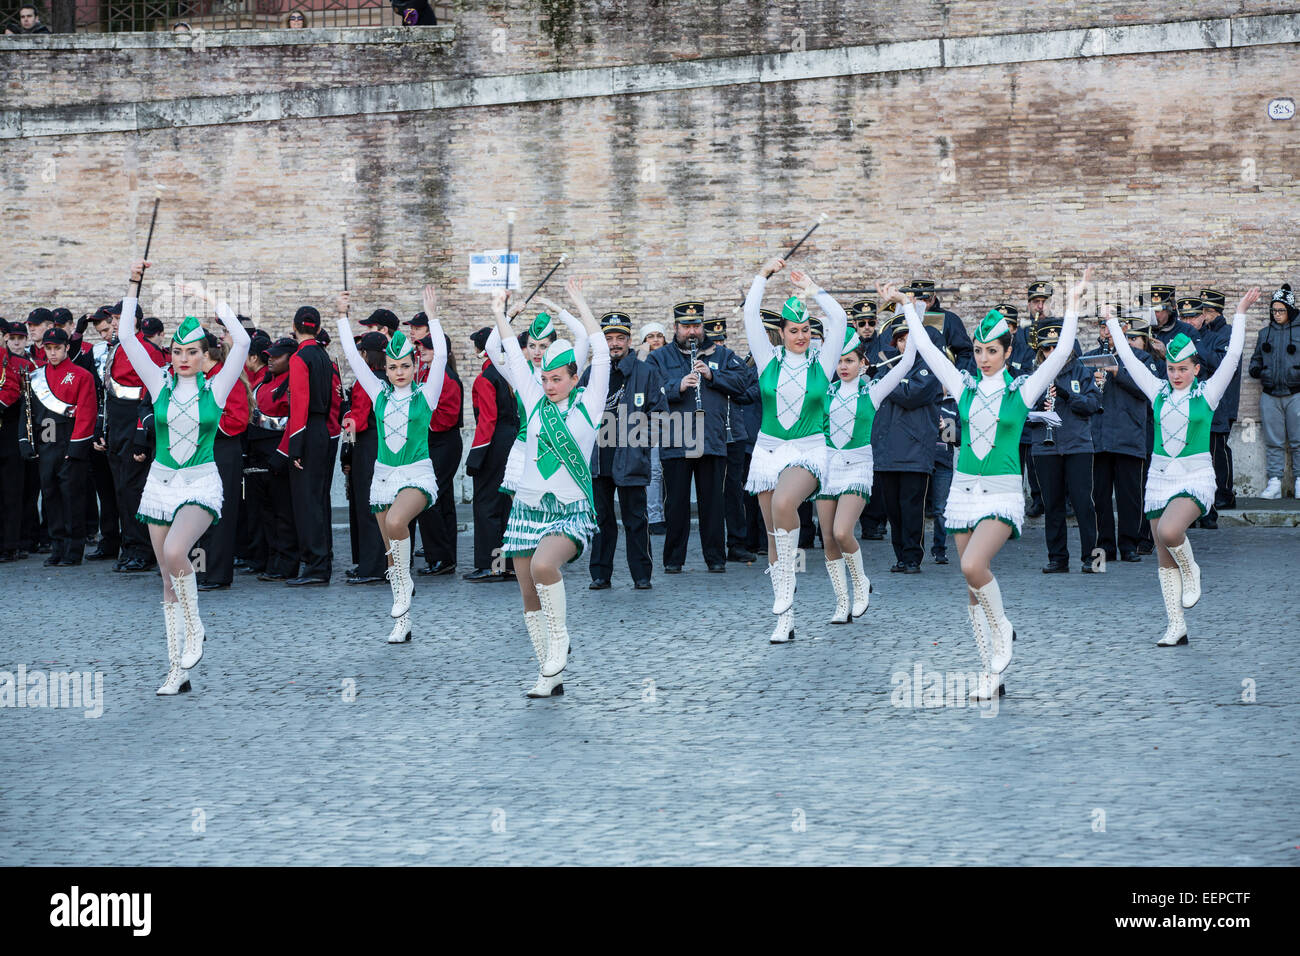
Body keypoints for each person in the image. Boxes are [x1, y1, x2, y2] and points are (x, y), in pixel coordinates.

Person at [907, 269, 1090, 699]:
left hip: (1003, 493)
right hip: (963, 493)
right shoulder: (964, 384)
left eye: (992, 350)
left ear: (1008, 351)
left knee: (974, 566)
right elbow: (929, 352)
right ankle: (991, 673)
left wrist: (1074, 304)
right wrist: (906, 308)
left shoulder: (1022, 392)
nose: (984, 357)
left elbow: (1062, 349)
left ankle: (1004, 630)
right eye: (978, 350)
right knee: (971, 588)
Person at [119, 262, 251, 695]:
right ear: (170, 355)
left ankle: (195, 628)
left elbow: (244, 340)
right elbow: (125, 335)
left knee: (178, 551)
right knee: (165, 575)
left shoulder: (216, 386)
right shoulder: (159, 384)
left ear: (205, 355)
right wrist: (134, 285)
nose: (183, 359)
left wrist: (207, 297)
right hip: (160, 483)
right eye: (177, 352)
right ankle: (177, 670)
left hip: (200, 481)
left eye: (192, 352)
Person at [1103, 288, 1257, 646]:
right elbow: (1128, 358)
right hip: (1159, 478)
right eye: (1172, 368)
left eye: (1183, 369)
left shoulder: (1207, 392)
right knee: (1161, 550)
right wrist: (1112, 322)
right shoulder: (1157, 390)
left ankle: (1193, 569)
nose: (1176, 375)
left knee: (1171, 534)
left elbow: (1233, 355)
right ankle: (1176, 625)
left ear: (1196, 368)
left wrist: (1241, 312)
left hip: (1195, 476)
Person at [491, 278, 607, 698]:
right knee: (527, 593)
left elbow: (603, 352)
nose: (549, 384)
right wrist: (499, 313)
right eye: (545, 378)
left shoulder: (588, 404)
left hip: (571, 511)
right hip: (527, 510)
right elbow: (512, 356)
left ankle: (560, 641)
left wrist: (579, 305)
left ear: (575, 378)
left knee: (544, 568)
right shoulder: (533, 397)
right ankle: (548, 672)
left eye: (557, 378)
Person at [742, 257, 849, 644]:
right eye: (793, 331)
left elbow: (840, 322)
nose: (801, 336)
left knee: (785, 503)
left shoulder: (824, 362)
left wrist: (814, 289)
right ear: (782, 332)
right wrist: (763, 274)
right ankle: (784, 617)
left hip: (808, 449)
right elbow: (750, 313)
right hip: (768, 450)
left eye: (805, 330)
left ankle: (788, 589)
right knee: (772, 533)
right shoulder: (767, 360)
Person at [336, 287, 447, 645]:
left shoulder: (426, 393)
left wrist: (433, 316)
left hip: (417, 474)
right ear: (384, 368)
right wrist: (341, 316)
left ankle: (406, 586)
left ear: (416, 367)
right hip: (383, 477)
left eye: (405, 366)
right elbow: (353, 358)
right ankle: (403, 619)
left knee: (399, 522)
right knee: (391, 555)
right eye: (393, 367)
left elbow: (442, 356)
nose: (399, 372)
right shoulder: (378, 392)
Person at [816, 285, 918, 623]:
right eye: (840, 361)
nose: (843, 366)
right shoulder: (824, 391)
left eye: (850, 361)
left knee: (844, 532)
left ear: (863, 363)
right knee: (828, 538)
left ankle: (861, 582)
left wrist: (909, 311)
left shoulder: (873, 391)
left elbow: (908, 361)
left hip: (858, 466)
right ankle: (840, 601)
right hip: (827, 467)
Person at [646, 300, 751, 574]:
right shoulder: (659, 357)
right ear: (676, 327)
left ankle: (715, 558)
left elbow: (743, 382)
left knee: (713, 503)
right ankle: (673, 559)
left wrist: (712, 375)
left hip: (713, 438)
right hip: (676, 439)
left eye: (696, 326)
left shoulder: (722, 354)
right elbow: (648, 391)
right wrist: (676, 386)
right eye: (686, 326)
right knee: (676, 504)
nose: (691, 332)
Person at [584, 310, 667, 590]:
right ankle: (600, 574)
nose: (615, 343)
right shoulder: (591, 372)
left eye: (620, 338)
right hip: (598, 459)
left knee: (636, 520)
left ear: (629, 340)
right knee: (601, 521)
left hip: (631, 458)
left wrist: (642, 444)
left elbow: (660, 414)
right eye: (609, 338)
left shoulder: (645, 372)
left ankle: (642, 575)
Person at [871, 308, 942, 576]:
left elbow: (911, 394)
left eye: (909, 337)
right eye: (900, 339)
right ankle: (900, 556)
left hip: (914, 452)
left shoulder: (930, 369)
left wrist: (885, 380)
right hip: (886, 450)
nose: (904, 343)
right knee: (894, 511)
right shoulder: (888, 368)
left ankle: (913, 557)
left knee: (911, 508)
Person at [1028, 316, 1101, 573]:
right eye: (1046, 349)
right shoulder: (1034, 375)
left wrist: (1070, 396)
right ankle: (1057, 558)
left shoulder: (1081, 372)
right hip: (1045, 447)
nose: (1050, 353)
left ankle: (1093, 558)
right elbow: (1019, 412)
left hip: (1078, 446)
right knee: (1053, 504)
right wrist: (1038, 407)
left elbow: (1093, 405)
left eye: (1055, 348)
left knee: (1083, 503)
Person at [1086, 314, 1157, 563]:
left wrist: (1118, 372)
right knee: (1101, 497)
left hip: (1129, 435)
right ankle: (1105, 545)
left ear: (1124, 328)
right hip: (1098, 435)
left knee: (1130, 496)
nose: (1107, 331)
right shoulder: (1090, 358)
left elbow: (1148, 391)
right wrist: (1091, 384)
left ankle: (1129, 544)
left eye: (1111, 325)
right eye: (1102, 326)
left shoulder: (1140, 358)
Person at [275, 306, 335, 585]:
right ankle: (319, 562)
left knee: (306, 503)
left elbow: (299, 403)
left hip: (307, 431)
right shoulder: (323, 355)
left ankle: (315, 566)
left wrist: (294, 447)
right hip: (321, 429)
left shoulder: (300, 357)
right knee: (317, 500)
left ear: (295, 326)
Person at [29, 326, 97, 567]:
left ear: (67, 348)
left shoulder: (81, 375)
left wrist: (75, 450)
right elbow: (31, 413)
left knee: (72, 498)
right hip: (47, 446)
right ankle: (57, 547)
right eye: (48, 349)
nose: (52, 353)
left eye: (57, 348)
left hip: (69, 443)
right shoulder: (36, 376)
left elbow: (87, 414)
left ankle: (73, 549)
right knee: (50, 497)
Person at [195, 333, 251, 590]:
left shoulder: (227, 381)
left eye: (191, 352)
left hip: (222, 450)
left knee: (219, 515)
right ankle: (199, 569)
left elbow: (237, 421)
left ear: (205, 354)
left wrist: (200, 424)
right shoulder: (199, 379)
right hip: (201, 452)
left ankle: (217, 573)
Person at [703, 315, 759, 564]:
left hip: (733, 433)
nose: (719, 343)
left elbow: (743, 385)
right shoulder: (697, 361)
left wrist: (716, 381)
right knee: (711, 493)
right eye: (714, 339)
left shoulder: (731, 359)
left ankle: (737, 542)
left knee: (734, 491)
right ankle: (714, 546)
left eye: (721, 339)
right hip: (708, 434)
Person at [464, 326, 518, 582]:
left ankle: (490, 564)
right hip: (511, 440)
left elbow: (487, 420)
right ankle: (507, 564)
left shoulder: (486, 377)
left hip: (493, 444)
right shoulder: (510, 373)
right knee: (505, 504)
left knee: (486, 505)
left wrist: (476, 457)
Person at [340, 331, 390, 585]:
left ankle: (371, 567)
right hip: (388, 447)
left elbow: (354, 423)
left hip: (367, 446)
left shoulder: (365, 382)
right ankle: (382, 564)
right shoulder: (392, 379)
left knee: (368, 507)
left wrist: (344, 411)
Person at [414, 329, 462, 577]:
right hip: (435, 442)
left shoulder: (445, 377)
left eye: (428, 347)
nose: (422, 350)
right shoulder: (432, 374)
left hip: (444, 441)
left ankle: (440, 557)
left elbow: (446, 417)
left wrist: (419, 418)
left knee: (428, 499)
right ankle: (444, 557)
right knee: (441, 501)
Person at [252, 337, 299, 581]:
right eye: (269, 355)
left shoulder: (293, 384)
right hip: (260, 453)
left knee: (284, 512)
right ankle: (272, 559)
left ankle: (287, 562)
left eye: (277, 356)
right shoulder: (264, 383)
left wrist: (282, 454)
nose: (270, 359)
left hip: (278, 452)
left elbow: (293, 423)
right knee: (267, 512)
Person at [1249, 284, 1300, 500]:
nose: (1277, 314)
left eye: (1281, 310)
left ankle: (1299, 480)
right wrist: (1256, 368)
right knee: (1273, 441)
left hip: (1296, 393)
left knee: (1299, 441)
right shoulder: (1264, 333)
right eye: (1274, 310)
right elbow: (1256, 358)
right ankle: (1275, 482)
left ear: (1290, 310)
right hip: (1270, 395)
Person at [1194, 288, 1241, 523]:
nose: (1203, 315)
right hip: (1207, 402)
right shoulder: (1207, 334)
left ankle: (1225, 493)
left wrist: (1197, 344)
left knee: (1219, 450)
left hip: (1223, 403)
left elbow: (1219, 364)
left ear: (1217, 312)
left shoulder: (1226, 333)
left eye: (1207, 311)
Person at [0, 319, 35, 562]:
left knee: (11, 490)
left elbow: (13, 393)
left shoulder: (18, 363)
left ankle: (10, 543)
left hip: (10, 430)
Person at [636, 321, 668, 532]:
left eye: (659, 335)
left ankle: (668, 513)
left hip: (675, 418)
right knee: (654, 471)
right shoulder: (640, 360)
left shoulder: (671, 358)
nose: (655, 339)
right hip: (651, 421)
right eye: (650, 336)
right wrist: (642, 354)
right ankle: (655, 517)